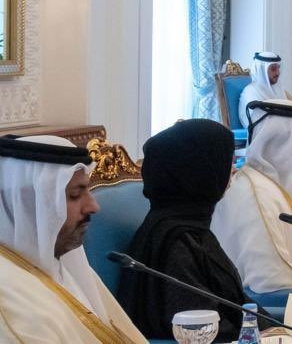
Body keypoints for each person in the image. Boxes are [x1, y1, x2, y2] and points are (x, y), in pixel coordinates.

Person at [0, 134, 147, 342]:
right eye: (75, 195)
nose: (93, 206)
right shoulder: (8, 301)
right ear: (27, 204)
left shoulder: (63, 264)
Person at [117, 120, 245, 340]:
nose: (233, 169)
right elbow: (198, 328)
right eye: (225, 161)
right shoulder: (175, 241)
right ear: (201, 171)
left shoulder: (191, 225)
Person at [213, 100, 292, 298]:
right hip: (278, 308)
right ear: (289, 142)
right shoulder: (255, 194)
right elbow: (272, 280)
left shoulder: (290, 186)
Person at [236, 51, 286, 128]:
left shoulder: (277, 89)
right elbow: (258, 123)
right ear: (262, 71)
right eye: (273, 69)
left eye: (278, 68)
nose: (278, 73)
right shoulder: (250, 92)